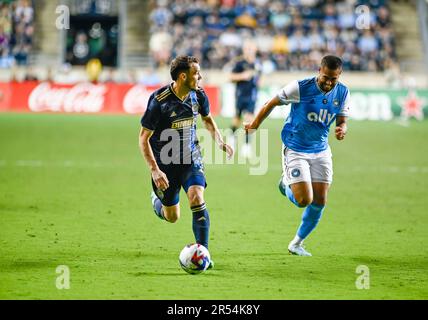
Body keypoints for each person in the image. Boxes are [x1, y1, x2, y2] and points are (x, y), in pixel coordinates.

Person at [245, 55, 350, 256]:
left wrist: (342, 129)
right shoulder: (300, 87)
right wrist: (254, 125)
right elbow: (271, 102)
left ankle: (297, 243)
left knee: (320, 202)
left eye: (333, 79)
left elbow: (341, 120)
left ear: (339, 76)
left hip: (321, 150)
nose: (328, 83)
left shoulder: (343, 92)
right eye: (325, 77)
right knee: (304, 200)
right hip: (295, 148)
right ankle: (285, 185)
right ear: (319, 70)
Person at [139, 56, 234, 268]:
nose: (200, 76)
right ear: (183, 76)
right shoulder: (159, 101)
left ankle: (204, 253)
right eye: (196, 73)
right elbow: (143, 138)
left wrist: (220, 141)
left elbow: (207, 120)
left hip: (191, 158)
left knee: (196, 196)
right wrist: (155, 170)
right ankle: (157, 201)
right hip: (164, 166)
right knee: (172, 216)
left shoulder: (198, 94)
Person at [229, 40, 262, 158]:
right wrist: (243, 76)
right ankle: (232, 136)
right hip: (240, 94)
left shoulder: (258, 63)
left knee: (249, 120)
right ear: (244, 50)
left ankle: (246, 146)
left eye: (251, 48)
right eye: (247, 48)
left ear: (255, 50)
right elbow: (231, 77)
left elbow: (259, 78)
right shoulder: (239, 63)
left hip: (252, 96)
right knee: (237, 119)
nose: (249, 51)